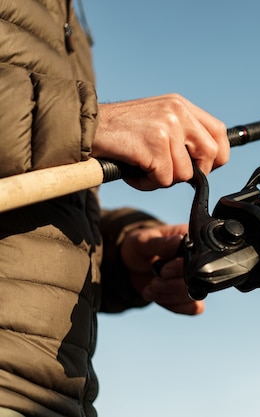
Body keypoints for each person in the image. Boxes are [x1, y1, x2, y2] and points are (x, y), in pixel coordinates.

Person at [0, 1, 230, 416]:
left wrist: (127, 249)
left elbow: (36, 220)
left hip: (59, 397)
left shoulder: (68, 19)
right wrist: (91, 121)